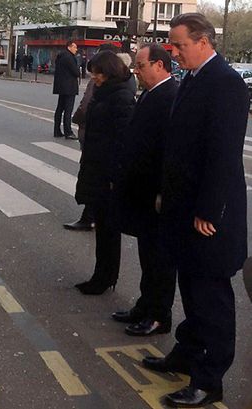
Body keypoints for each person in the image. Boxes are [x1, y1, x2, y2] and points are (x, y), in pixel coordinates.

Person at [141, 13, 249, 407]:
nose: (174, 51)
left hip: (209, 216)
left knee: (212, 299)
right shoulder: (194, 78)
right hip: (184, 210)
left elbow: (222, 154)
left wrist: (208, 210)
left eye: (179, 44)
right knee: (191, 290)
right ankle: (185, 355)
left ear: (204, 41)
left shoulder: (226, 84)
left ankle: (210, 379)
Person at [111, 43, 178, 337]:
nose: (136, 71)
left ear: (159, 66)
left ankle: (158, 315)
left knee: (158, 259)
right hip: (141, 189)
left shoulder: (169, 96)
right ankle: (145, 304)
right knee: (146, 254)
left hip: (154, 193)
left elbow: (168, 150)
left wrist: (163, 190)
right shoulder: (153, 93)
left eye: (141, 66)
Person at [73, 50, 135, 295]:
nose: (94, 78)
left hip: (107, 174)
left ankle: (105, 277)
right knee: (103, 228)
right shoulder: (107, 93)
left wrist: (113, 177)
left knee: (109, 231)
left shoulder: (120, 97)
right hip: (98, 169)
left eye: (96, 74)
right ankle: (102, 275)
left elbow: (122, 141)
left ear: (108, 72)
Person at [65, 43, 121, 231]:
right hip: (98, 141)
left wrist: (77, 118)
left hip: (94, 138)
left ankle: (90, 216)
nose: (94, 76)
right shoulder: (121, 81)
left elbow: (86, 104)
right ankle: (91, 215)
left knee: (94, 177)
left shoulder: (105, 85)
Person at [53, 41, 80, 139]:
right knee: (68, 110)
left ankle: (57, 130)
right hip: (69, 87)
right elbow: (76, 72)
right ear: (69, 47)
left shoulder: (61, 56)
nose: (76, 49)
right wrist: (78, 71)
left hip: (61, 86)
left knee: (60, 108)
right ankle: (68, 131)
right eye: (75, 47)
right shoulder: (69, 57)